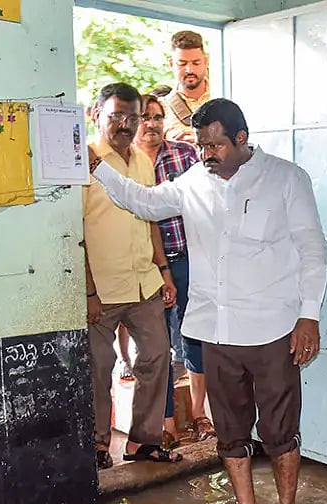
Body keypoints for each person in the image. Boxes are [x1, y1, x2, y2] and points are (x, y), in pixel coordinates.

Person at [90, 98, 327, 504]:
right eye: (201, 145)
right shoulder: (194, 180)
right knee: (231, 431)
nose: (206, 155)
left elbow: (312, 250)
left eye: (215, 146)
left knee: (279, 429)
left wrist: (309, 317)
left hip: (273, 328)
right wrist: (98, 169)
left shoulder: (286, 179)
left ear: (241, 139)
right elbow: (144, 202)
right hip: (216, 331)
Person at [82, 82, 182, 469]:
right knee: (99, 366)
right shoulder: (85, 161)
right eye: (116, 116)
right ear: (96, 114)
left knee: (157, 357)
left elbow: (151, 216)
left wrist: (164, 270)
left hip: (145, 282)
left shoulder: (142, 160)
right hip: (102, 288)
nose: (125, 124)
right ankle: (97, 444)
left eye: (132, 117)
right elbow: (73, 229)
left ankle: (143, 441)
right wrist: (88, 291)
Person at [134, 93, 216, 449]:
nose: (151, 124)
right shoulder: (130, 165)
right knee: (160, 346)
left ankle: (200, 415)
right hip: (150, 268)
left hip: (190, 261)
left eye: (156, 117)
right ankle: (166, 424)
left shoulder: (184, 155)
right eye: (144, 117)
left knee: (196, 339)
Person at [160, 30, 211, 144]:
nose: (190, 70)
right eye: (182, 64)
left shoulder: (226, 94)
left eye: (196, 63)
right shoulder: (160, 108)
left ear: (205, 61)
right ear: (171, 64)